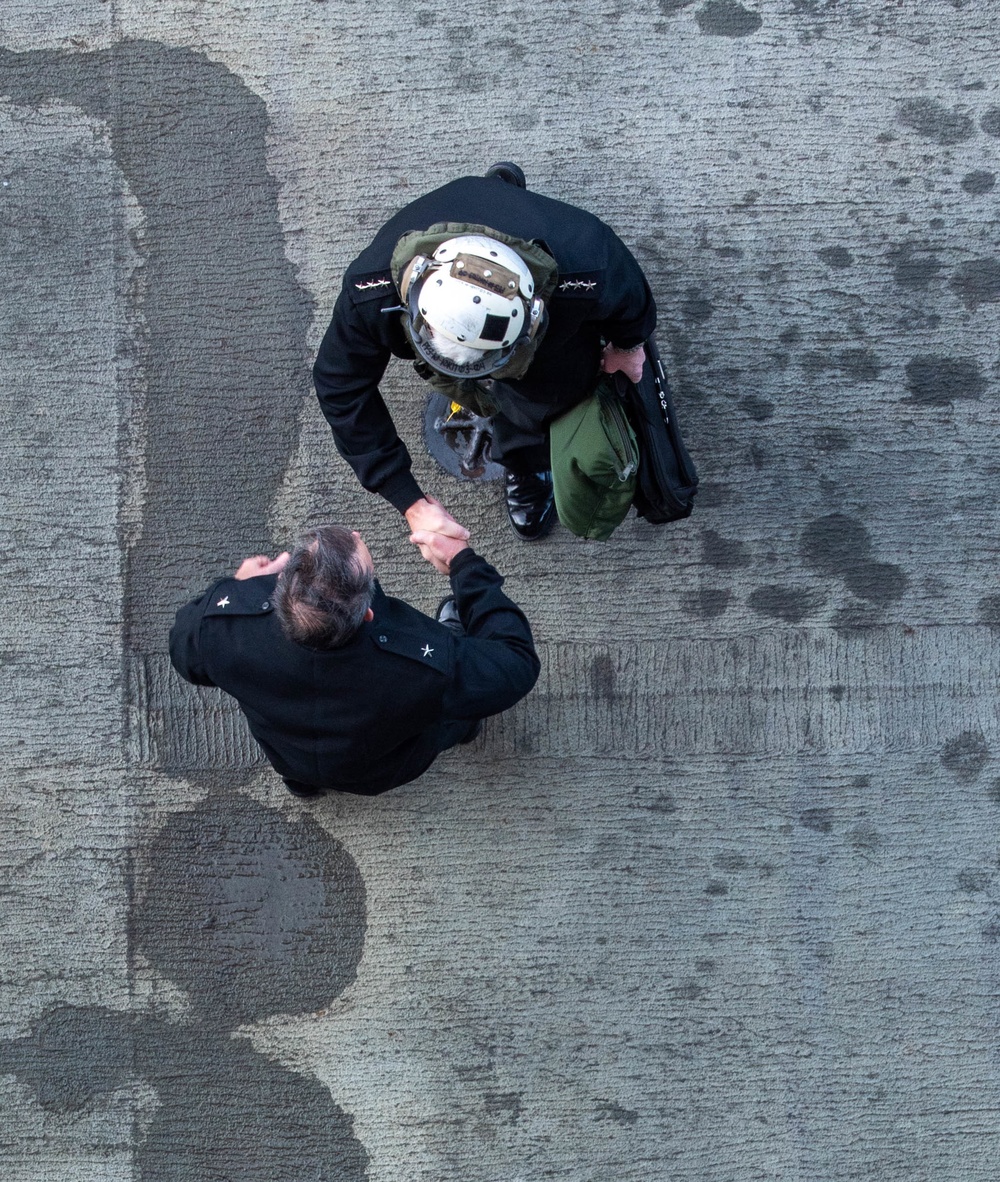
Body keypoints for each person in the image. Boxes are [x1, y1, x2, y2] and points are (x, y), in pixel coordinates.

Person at [313, 163, 655, 543]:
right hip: (465, 211)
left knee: (552, 391)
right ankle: (501, 193)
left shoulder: (585, 261)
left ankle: (528, 463)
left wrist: (628, 345)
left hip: (542, 272)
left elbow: (629, 293)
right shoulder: (370, 288)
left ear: (535, 312)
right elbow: (340, 387)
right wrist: (408, 499)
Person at [168, 523, 539, 797]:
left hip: (288, 753)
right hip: (376, 768)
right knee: (457, 705)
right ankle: (463, 727)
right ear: (367, 616)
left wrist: (239, 586)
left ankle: (304, 786)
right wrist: (464, 565)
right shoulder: (416, 668)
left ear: (284, 585)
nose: (357, 534)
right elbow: (514, 664)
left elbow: (183, 654)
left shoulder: (220, 630)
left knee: (298, 766)